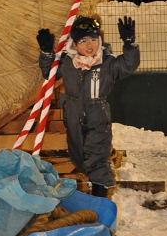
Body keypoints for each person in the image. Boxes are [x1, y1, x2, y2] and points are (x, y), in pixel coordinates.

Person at [37, 14, 140, 197]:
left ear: (100, 40)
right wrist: (46, 53)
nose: (90, 45)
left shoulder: (107, 64)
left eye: (93, 39)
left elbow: (128, 65)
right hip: (74, 116)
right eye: (83, 41)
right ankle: (95, 188)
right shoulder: (68, 63)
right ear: (75, 44)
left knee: (96, 158)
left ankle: (101, 197)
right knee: (79, 158)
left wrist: (129, 43)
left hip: (97, 116)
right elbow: (49, 72)